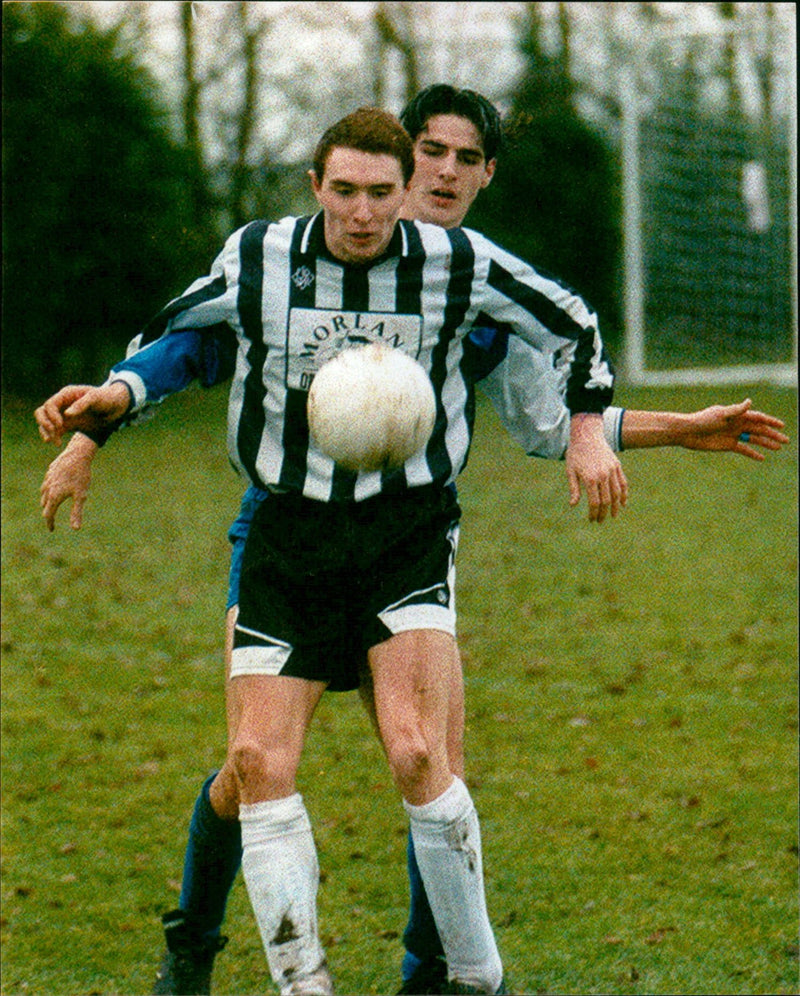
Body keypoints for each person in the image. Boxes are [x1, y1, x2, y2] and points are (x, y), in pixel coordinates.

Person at [34, 87, 789, 996]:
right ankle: (196, 939)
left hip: (407, 531)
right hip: (287, 530)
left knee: (427, 758)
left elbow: (556, 412)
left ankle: (443, 979)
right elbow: (183, 344)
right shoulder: (268, 258)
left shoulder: (466, 276)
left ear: (479, 176)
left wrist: (662, 427)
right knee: (251, 767)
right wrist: (97, 421)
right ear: (331, 178)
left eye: (463, 160)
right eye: (429, 153)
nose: (439, 175)